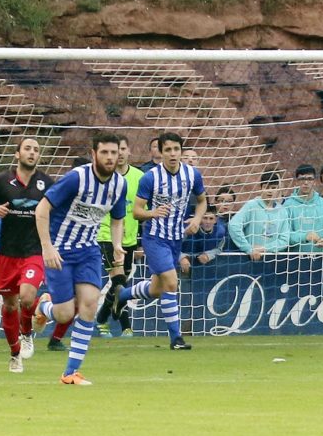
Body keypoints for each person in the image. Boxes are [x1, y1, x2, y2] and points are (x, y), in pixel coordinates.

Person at [31, 133, 126, 385]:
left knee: (89, 306)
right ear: (94, 154)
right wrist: (47, 247)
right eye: (104, 152)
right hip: (60, 250)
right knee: (63, 314)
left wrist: (117, 244)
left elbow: (117, 219)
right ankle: (44, 307)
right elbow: (42, 209)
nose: (109, 157)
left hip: (88, 251)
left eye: (113, 153)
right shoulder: (76, 178)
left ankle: (70, 372)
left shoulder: (119, 184)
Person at [114, 132, 206, 350]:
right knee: (172, 283)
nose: (173, 154)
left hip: (176, 240)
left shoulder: (192, 175)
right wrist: (153, 213)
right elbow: (136, 212)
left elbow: (202, 201)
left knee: (157, 289)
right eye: (168, 150)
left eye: (176, 149)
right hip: (155, 239)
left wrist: (197, 219)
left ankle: (122, 294)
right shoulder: (151, 178)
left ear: (181, 152)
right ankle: (176, 339)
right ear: (161, 152)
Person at [0, 137, 54, 373]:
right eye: (28, 149)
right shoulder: (2, 181)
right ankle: (14, 353)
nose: (32, 153)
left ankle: (27, 334)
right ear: (17, 154)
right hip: (8, 252)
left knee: (27, 296)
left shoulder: (46, 183)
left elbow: (56, 210)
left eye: (36, 150)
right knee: (10, 305)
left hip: (34, 250)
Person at [96, 135, 143, 338]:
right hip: (106, 235)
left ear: (128, 151)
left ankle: (101, 318)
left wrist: (143, 241)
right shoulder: (103, 178)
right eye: (117, 150)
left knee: (121, 283)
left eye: (123, 149)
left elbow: (143, 210)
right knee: (119, 281)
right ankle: (125, 326)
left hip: (130, 239)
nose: (120, 153)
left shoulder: (140, 177)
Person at [228, 171, 290, 258]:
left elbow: (284, 240)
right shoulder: (251, 206)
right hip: (250, 259)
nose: (269, 191)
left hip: (273, 261)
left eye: (273, 188)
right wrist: (248, 249)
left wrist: (265, 248)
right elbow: (233, 225)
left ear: (278, 189)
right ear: (260, 188)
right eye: (266, 187)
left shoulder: (282, 211)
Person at [284, 164, 323, 253]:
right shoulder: (288, 205)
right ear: (296, 182)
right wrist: (305, 236)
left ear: (314, 181)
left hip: (321, 259)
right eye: (302, 179)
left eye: (309, 179)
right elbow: (284, 235)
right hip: (294, 259)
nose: (306, 182)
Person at [180, 204, 226, 272]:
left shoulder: (220, 232)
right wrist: (181, 258)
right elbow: (172, 246)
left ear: (216, 220)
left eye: (211, 218)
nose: (208, 222)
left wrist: (209, 255)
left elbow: (219, 248)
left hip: (203, 269)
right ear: (199, 218)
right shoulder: (188, 229)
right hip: (180, 265)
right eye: (205, 218)